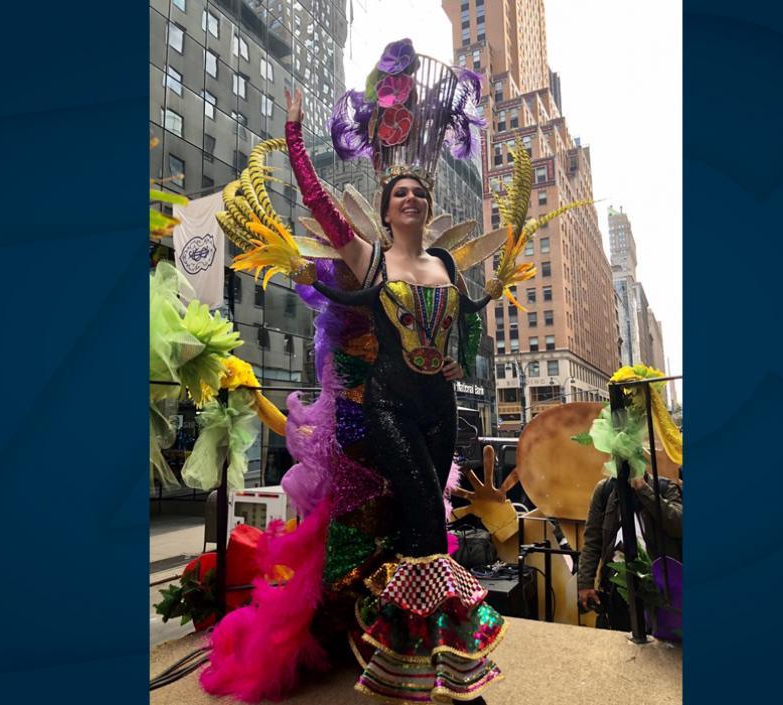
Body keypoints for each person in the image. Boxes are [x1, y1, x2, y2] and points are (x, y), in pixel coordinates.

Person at [200, 39, 555, 705]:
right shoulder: (369, 259)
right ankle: (430, 669)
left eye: (420, 190)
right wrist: (295, 137)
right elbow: (322, 206)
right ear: (388, 207)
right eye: (401, 192)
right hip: (388, 405)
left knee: (428, 523)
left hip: (441, 406)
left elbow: (465, 320)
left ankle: (419, 667)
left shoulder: (447, 267)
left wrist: (460, 343)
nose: (413, 197)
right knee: (423, 516)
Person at [577, 468, 683, 632]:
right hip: (618, 586)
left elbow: (678, 525)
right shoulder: (605, 490)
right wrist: (585, 583)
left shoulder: (664, 487)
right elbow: (593, 541)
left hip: (661, 586)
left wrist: (643, 489)